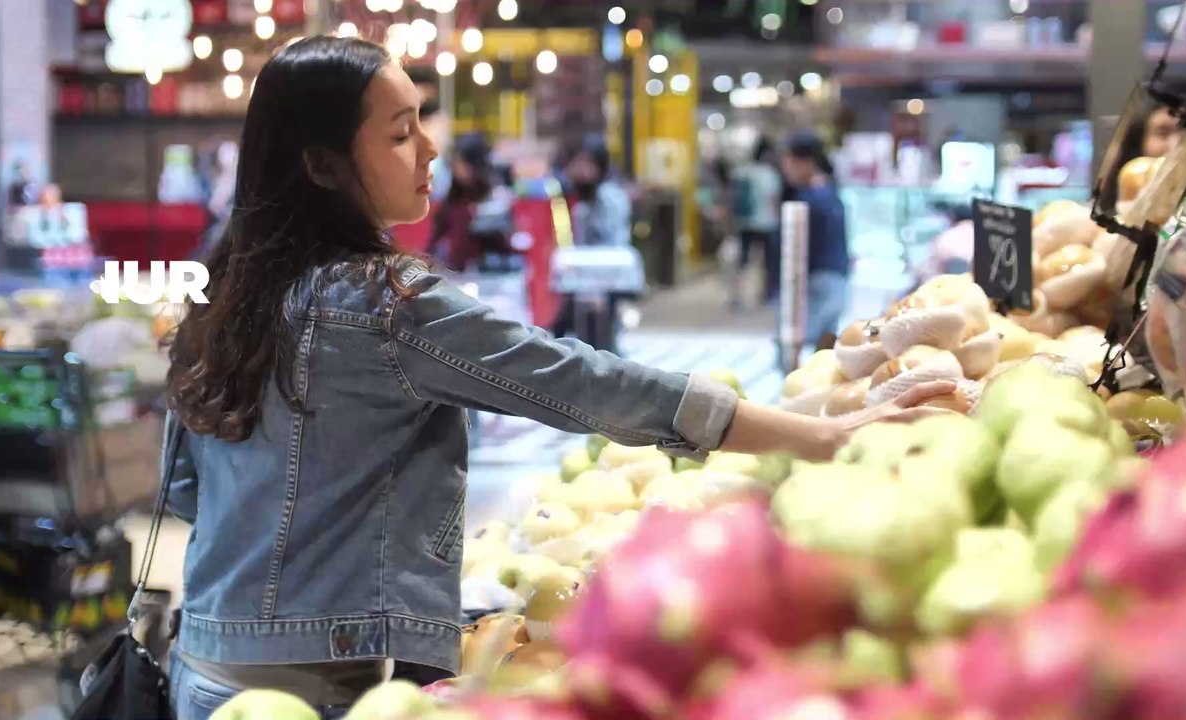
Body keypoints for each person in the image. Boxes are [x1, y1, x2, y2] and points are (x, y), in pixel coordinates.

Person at [163, 36, 954, 719]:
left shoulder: (220, 287)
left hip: (201, 665)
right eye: (401, 134)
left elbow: (189, 490)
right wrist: (823, 435)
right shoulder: (385, 305)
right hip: (321, 682)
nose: (432, 149)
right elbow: (583, 383)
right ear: (322, 165)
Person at [551, 135, 633, 352]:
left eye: (587, 162)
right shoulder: (570, 197)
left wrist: (599, 285)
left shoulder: (610, 197)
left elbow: (615, 241)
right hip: (574, 281)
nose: (581, 169)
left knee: (602, 339)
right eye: (577, 162)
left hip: (604, 280)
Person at [781, 131, 852, 351]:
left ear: (806, 162)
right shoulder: (830, 191)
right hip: (837, 277)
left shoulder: (809, 200)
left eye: (790, 161)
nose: (786, 168)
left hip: (816, 280)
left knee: (797, 343)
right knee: (824, 346)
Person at [427, 132, 514, 272]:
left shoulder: (496, 198)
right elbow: (437, 237)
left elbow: (500, 239)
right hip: (456, 273)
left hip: (490, 272)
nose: (456, 169)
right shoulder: (453, 200)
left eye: (461, 164)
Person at [732, 137, 783, 305]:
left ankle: (738, 295)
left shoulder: (742, 171)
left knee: (743, 260)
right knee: (768, 262)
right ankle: (766, 295)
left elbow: (732, 196)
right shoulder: (770, 174)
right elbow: (774, 200)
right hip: (767, 222)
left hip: (744, 222)